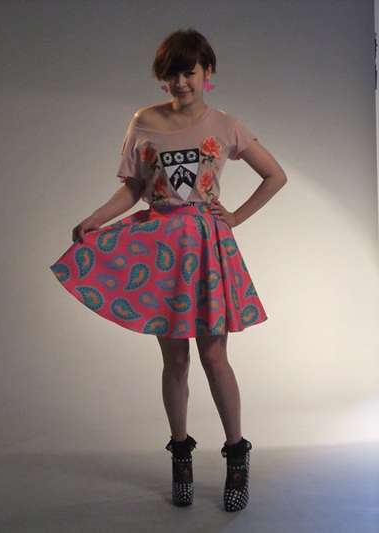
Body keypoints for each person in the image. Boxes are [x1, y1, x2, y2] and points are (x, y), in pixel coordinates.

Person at [49, 27, 287, 512]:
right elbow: (134, 188)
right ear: (163, 78)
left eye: (189, 72)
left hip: (206, 249)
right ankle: (181, 456)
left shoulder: (226, 125)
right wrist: (96, 219)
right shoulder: (144, 122)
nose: (181, 82)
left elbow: (274, 175)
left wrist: (235, 217)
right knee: (174, 359)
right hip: (162, 252)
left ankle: (236, 456)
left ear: (208, 73)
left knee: (214, 356)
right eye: (172, 74)